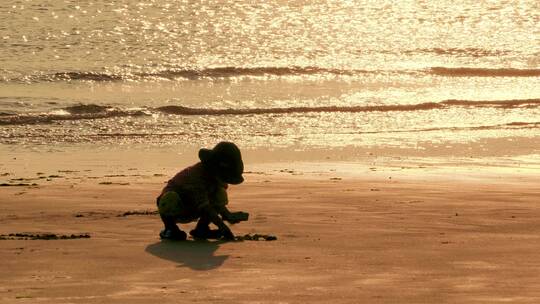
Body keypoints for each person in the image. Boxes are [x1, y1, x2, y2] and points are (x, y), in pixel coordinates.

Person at [157, 141, 249, 241]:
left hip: (195, 208)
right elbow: (205, 207)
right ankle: (170, 228)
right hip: (177, 207)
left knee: (220, 194)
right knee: (170, 198)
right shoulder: (197, 176)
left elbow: (216, 204)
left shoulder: (216, 179)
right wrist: (223, 227)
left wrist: (228, 215)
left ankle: (202, 229)